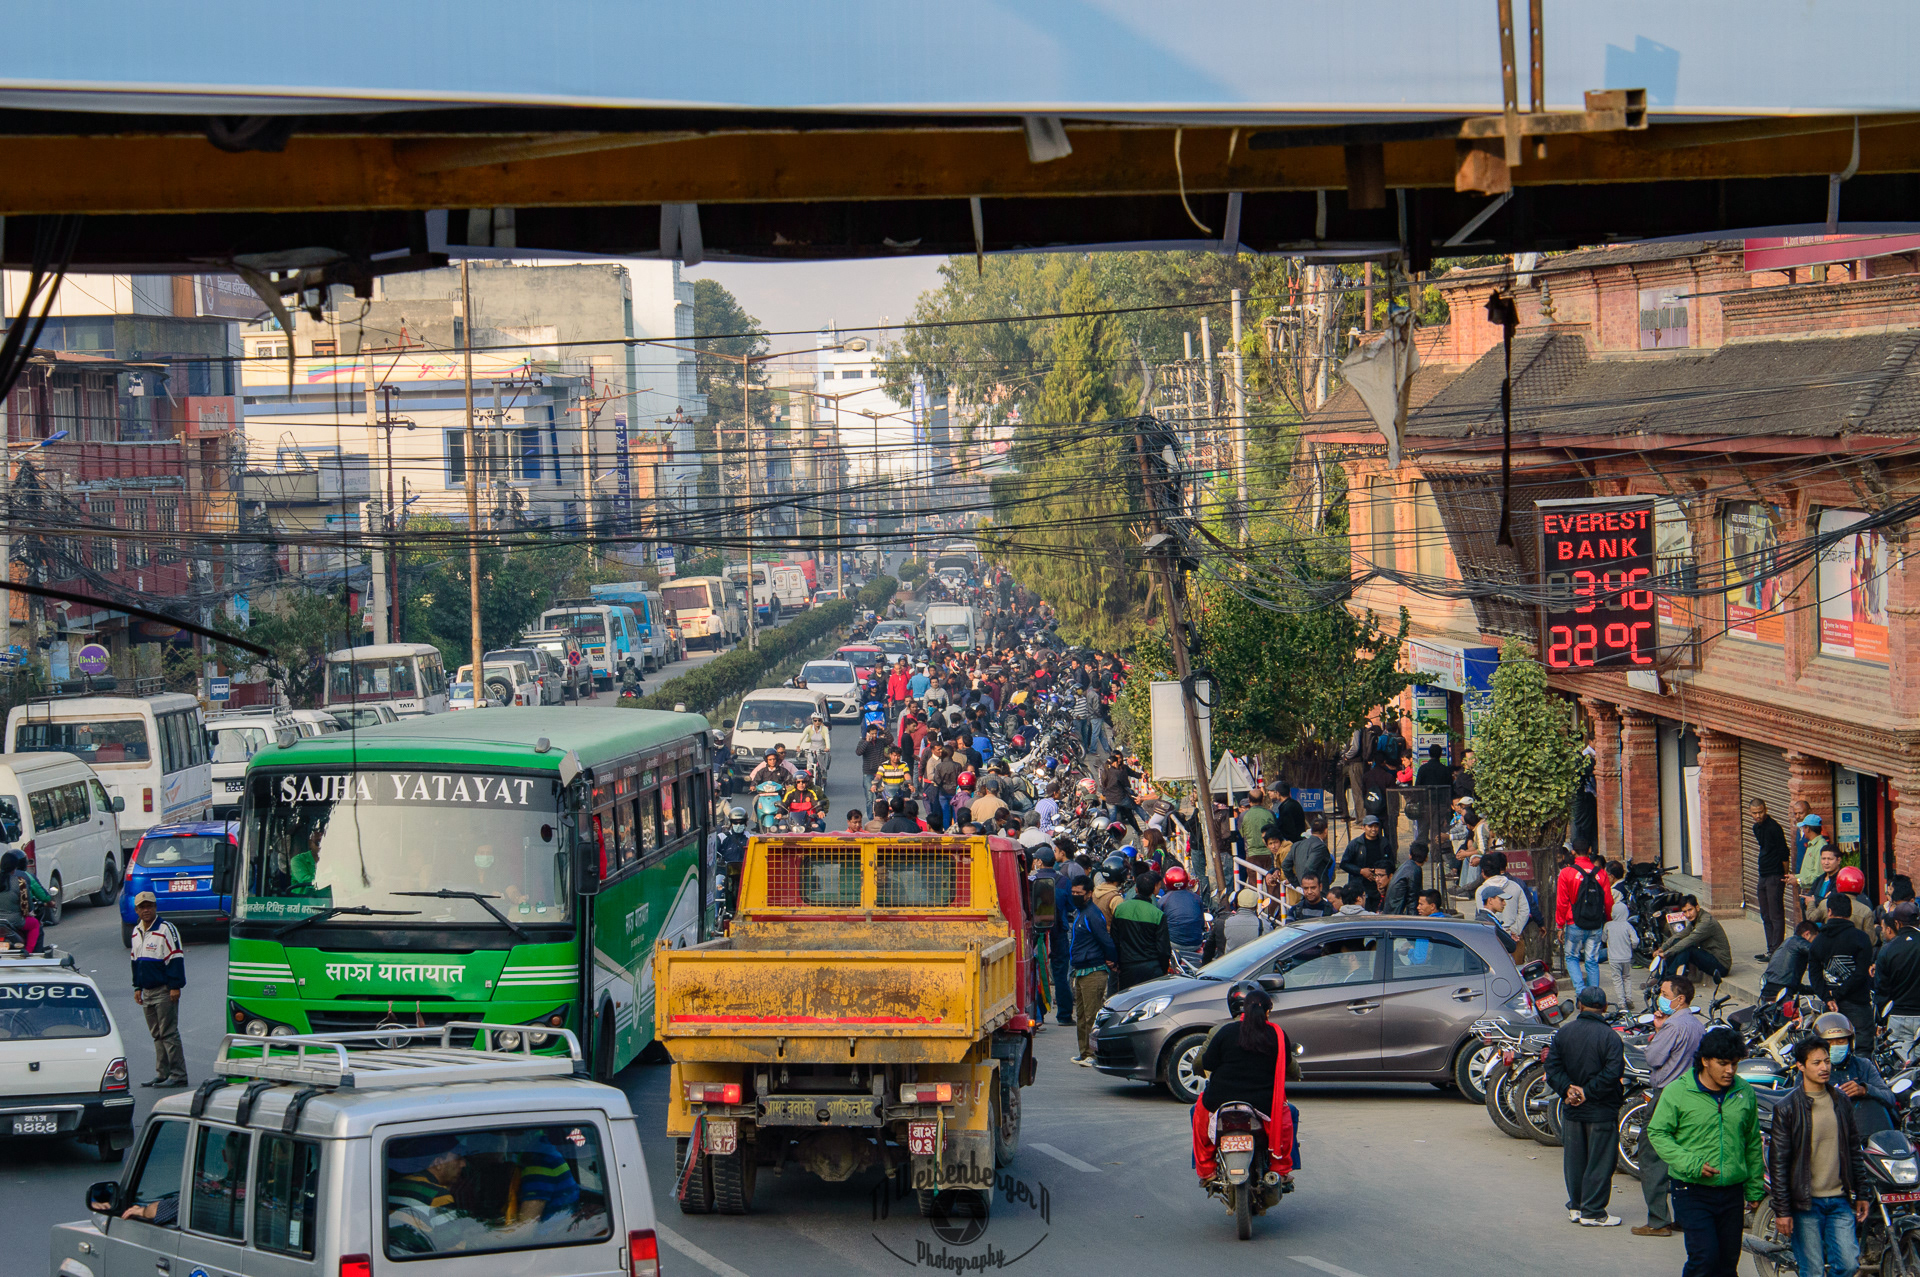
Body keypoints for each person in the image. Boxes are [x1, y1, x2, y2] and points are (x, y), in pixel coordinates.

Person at [1645, 1026, 1766, 1277]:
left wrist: (1754, 1188)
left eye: (1734, 1064)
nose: (1730, 1070)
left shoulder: (1744, 1092)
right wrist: (1691, 1163)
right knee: (1704, 1257)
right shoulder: (1678, 1091)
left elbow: (1752, 1142)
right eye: (1723, 1064)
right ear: (1705, 1060)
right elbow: (1657, 1132)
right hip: (1691, 1189)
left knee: (1727, 1263)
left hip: (1731, 1192)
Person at [1769, 1034, 1871, 1277]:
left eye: (1826, 1061)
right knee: (1812, 1270)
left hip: (1839, 1200)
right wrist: (1782, 1210)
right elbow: (1779, 1163)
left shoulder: (1841, 1101)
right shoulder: (1787, 1108)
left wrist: (1862, 1193)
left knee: (1848, 1265)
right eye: (1816, 1062)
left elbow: (1853, 1149)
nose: (1824, 1067)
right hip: (1805, 1204)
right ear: (1801, 1066)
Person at [1189, 981, 1297, 1205]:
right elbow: (1287, 1065)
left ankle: (1207, 1171)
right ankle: (1280, 1170)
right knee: (1286, 1119)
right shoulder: (1277, 1035)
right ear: (1268, 1011)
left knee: (1198, 1117)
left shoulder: (1226, 1031)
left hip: (1220, 1099)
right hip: (1264, 1103)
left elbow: (1207, 1061)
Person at [1545, 984, 1626, 1226]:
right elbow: (1613, 1073)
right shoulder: (1611, 1037)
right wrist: (1587, 1092)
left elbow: (1552, 1068)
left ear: (1580, 1005)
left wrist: (1569, 1089)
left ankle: (1577, 1207)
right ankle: (1594, 1212)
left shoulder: (1564, 1033)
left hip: (1572, 1109)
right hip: (1601, 1110)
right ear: (1603, 1008)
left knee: (1575, 1160)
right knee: (1600, 1161)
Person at [1632, 975, 1706, 1238]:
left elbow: (1653, 1057)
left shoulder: (1673, 1026)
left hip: (1666, 1094)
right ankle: (1685, 1217)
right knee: (1681, 1156)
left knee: (1651, 1154)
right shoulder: (1697, 1026)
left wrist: (1659, 1029)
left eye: (1664, 993)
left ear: (1680, 998)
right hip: (1691, 1095)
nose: (1660, 997)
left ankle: (1658, 1220)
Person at [127, 890, 188, 1087]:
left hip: (164, 990)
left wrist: (175, 986)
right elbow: (135, 961)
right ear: (136, 910)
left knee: (168, 1033)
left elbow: (176, 958)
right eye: (142, 907)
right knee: (156, 1034)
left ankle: (178, 1075)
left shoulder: (166, 929)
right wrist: (137, 987)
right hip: (147, 991)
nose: (146, 910)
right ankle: (162, 1073)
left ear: (155, 907)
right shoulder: (136, 932)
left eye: (149, 906)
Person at [1809, 1010, 1897, 1136]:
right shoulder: (1810, 1069)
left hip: (1864, 1135)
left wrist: (1865, 1090)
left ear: (1850, 1043)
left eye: (1841, 1042)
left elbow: (1889, 1098)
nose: (1835, 1046)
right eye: (1829, 1043)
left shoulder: (1863, 1065)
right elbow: (1799, 1106)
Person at [386, 1133, 472, 1255]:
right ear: (438, 1163)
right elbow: (454, 1248)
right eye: (458, 1157)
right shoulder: (438, 1195)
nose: (463, 1164)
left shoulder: (395, 1186)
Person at [1810, 895, 1877, 1044]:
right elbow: (1860, 973)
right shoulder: (1861, 938)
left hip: (1831, 1007)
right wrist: (1838, 994)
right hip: (1858, 1002)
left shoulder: (1818, 941)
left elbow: (1814, 975)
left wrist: (1829, 997)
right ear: (1850, 912)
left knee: (1832, 1048)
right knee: (1863, 1048)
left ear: (1829, 912)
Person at [1066, 877, 1116, 1065]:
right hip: (1080, 971)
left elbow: (1106, 941)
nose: (1075, 896)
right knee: (1081, 1015)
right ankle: (1085, 1052)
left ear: (1089, 894)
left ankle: (1093, 1054)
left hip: (1092, 972)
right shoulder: (1081, 912)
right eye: (1073, 893)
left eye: (1079, 893)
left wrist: (1112, 960)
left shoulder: (1092, 915)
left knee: (1091, 1015)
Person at [1556, 846, 1614, 999]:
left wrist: (1559, 925)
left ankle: (1581, 994)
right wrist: (1608, 920)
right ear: (1590, 850)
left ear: (1573, 851)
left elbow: (1562, 902)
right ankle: (1594, 997)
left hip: (1574, 922)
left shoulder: (1566, 873)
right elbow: (1608, 901)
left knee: (1571, 957)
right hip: (1595, 924)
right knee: (1592, 960)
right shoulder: (1601, 873)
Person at [1111, 876, 1172, 991]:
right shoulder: (1157, 914)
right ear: (1155, 889)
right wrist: (1163, 970)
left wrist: (1117, 963)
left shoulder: (1120, 909)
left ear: (1136, 889)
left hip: (1127, 967)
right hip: (1152, 969)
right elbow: (1163, 949)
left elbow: (1115, 940)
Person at [1876, 902, 1920, 1063]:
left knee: (1902, 1069)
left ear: (1897, 923)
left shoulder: (1888, 949)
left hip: (1898, 1016)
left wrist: (1881, 1020)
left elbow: (1881, 988)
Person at [1654, 895, 1731, 986]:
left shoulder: (1706, 923)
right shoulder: (1695, 920)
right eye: (1685, 912)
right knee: (1677, 941)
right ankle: (1658, 977)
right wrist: (1663, 948)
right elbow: (1680, 935)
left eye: (1690, 910)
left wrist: (1667, 953)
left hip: (1720, 966)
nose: (1688, 915)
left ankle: (1669, 979)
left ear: (1697, 907)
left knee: (1687, 948)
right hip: (1708, 956)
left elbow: (1688, 940)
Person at [1751, 799, 1791, 958]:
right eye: (1754, 813)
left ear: (1765, 810)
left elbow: (1784, 852)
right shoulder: (1756, 828)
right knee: (1765, 914)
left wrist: (1784, 874)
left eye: (1760, 812)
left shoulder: (1774, 827)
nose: (1758, 816)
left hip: (1775, 875)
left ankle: (1777, 951)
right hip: (1763, 874)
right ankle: (1770, 949)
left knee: (1776, 914)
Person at [1475, 851, 1530, 948]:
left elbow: (1483, 916)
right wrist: (1514, 930)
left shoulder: (1481, 891)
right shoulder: (1515, 886)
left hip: (1491, 940)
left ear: (1483, 872)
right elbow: (1525, 911)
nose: (1503, 903)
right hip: (1513, 938)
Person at [1761, 919, 1823, 1004]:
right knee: (1790, 1015)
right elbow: (1817, 951)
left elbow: (1790, 981)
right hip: (1783, 993)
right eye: (1815, 939)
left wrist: (1813, 990)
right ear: (1807, 934)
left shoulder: (1787, 943)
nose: (1816, 943)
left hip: (1768, 989)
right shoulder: (1799, 942)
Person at [0, 848, 45, 953]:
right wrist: (30, 913)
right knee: (35, 924)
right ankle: (28, 952)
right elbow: (26, 908)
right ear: (14, 867)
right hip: (14, 921)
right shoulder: (20, 882)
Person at [1338, 815, 1393, 890]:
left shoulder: (1384, 843)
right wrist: (1361, 871)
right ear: (1363, 827)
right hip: (1359, 885)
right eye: (1370, 826)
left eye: (1376, 826)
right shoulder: (1355, 844)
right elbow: (1344, 864)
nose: (1373, 829)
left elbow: (1390, 863)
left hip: (1378, 886)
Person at [1280, 815, 1331, 889]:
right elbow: (1309, 867)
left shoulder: (1297, 845)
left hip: (1303, 888)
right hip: (1318, 890)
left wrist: (1296, 882)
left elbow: (1285, 865)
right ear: (1326, 831)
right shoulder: (1320, 846)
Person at [1383, 843, 1426, 914]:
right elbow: (1413, 899)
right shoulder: (1414, 870)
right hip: (1397, 915)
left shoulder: (1405, 866)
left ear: (1410, 856)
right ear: (1426, 858)